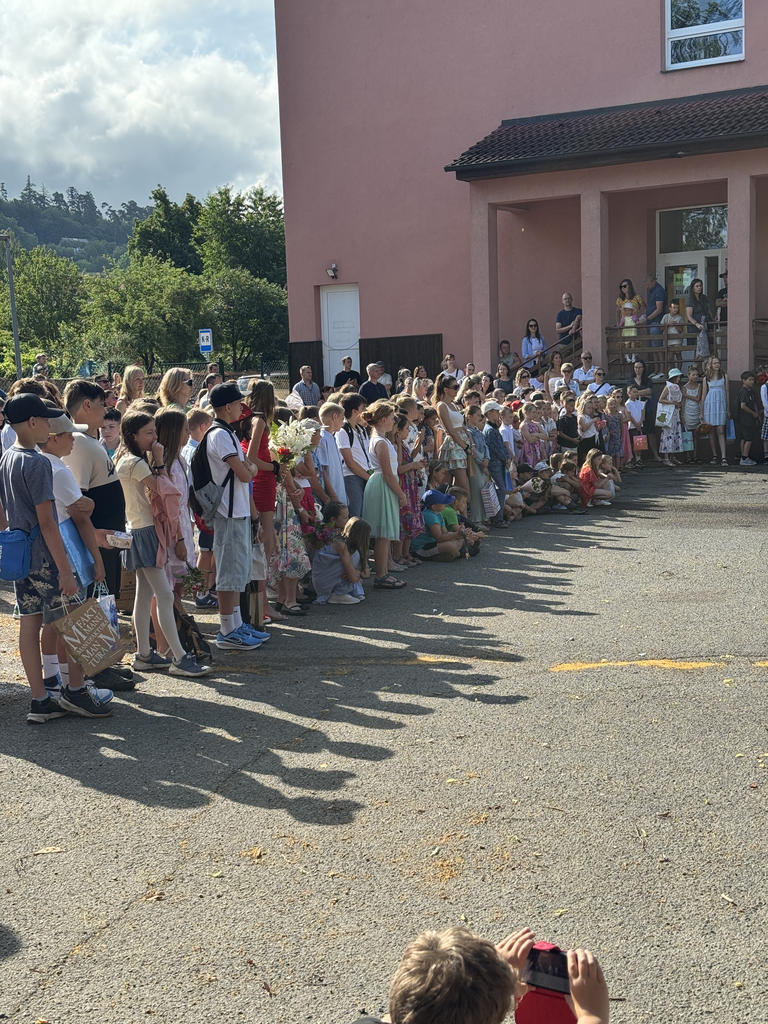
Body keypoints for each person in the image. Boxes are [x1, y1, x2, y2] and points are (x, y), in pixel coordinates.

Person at [0, 395, 116, 723]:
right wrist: (65, 570)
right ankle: (75, 691)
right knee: (75, 618)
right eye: (45, 420)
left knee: (29, 622)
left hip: (21, 554)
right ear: (32, 422)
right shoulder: (37, 463)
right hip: (47, 557)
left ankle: (40, 699)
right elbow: (48, 522)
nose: (49, 426)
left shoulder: (6, 458)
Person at [116, 410, 212, 677]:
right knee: (165, 595)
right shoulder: (136, 463)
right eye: (148, 433)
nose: (154, 438)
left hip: (137, 530)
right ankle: (179, 658)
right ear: (133, 435)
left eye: (155, 432)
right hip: (145, 532)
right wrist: (159, 461)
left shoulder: (127, 459)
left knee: (144, 594)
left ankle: (144, 655)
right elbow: (166, 491)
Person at [61, 379, 128, 623]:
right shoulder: (77, 443)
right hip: (95, 543)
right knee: (96, 611)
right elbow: (76, 503)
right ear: (87, 405)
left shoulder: (87, 439)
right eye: (102, 404)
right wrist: (95, 536)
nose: (106, 409)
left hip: (105, 542)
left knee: (105, 605)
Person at [361, 400, 408, 590]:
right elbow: (388, 474)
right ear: (382, 420)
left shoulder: (382, 439)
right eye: (391, 417)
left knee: (385, 534)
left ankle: (383, 573)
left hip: (384, 483)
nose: (393, 421)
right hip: (382, 484)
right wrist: (401, 495)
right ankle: (381, 575)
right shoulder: (380, 442)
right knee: (383, 533)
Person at [312, 515, 370, 604]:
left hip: (323, 579)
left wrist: (357, 571)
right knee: (356, 559)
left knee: (359, 579)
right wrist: (354, 574)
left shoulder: (347, 543)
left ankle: (344, 590)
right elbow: (354, 579)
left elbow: (366, 573)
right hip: (324, 582)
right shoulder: (341, 545)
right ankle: (338, 593)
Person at [433, 374, 472, 493]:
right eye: (455, 387)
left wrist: (471, 443)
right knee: (463, 486)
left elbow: (463, 426)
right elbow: (451, 431)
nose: (457, 389)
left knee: (459, 485)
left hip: (463, 442)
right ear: (446, 389)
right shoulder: (442, 406)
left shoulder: (454, 404)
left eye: (457, 386)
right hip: (454, 445)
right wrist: (465, 447)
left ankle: (458, 505)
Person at [336, 394, 371, 519]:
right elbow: (349, 462)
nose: (365, 411)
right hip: (352, 477)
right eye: (363, 408)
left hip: (365, 475)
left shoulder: (361, 429)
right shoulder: (343, 431)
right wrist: (369, 478)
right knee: (355, 514)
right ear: (354, 411)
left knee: (365, 514)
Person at [410, 490, 465, 561]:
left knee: (456, 547)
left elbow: (445, 533)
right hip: (420, 548)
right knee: (450, 546)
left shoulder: (438, 514)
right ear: (434, 506)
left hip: (431, 543)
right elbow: (439, 538)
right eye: (442, 502)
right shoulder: (431, 516)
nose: (445, 504)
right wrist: (457, 535)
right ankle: (435, 556)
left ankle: (444, 555)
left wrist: (460, 535)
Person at [481, 401, 509, 530]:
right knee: (500, 489)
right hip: (495, 463)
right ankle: (497, 518)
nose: (499, 413)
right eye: (496, 411)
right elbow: (497, 448)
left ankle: (497, 517)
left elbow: (501, 446)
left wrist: (507, 457)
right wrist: (506, 458)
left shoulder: (492, 428)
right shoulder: (490, 430)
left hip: (498, 463)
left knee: (500, 489)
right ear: (489, 413)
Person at [625, 359, 659, 462]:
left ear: (643, 368)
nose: (638, 369)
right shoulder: (631, 381)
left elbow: (649, 391)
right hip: (635, 409)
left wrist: (636, 393)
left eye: (640, 367)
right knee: (637, 432)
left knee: (651, 432)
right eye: (636, 367)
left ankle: (656, 455)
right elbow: (631, 393)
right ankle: (638, 458)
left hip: (647, 408)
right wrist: (643, 393)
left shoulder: (648, 380)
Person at [701, 355, 730, 466]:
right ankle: (714, 455)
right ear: (710, 365)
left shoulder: (724, 376)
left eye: (718, 363)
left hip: (721, 404)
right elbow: (703, 395)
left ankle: (724, 457)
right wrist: (701, 411)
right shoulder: (706, 378)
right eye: (714, 363)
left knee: (721, 430)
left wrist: (728, 409)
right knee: (711, 430)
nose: (717, 365)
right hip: (710, 404)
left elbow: (727, 392)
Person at [318, 402, 348, 505]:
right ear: (334, 416)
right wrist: (332, 494)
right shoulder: (322, 439)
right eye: (342, 418)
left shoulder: (332, 437)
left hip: (339, 492)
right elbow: (322, 469)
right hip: (332, 496)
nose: (343, 422)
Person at [658, 368, 684, 467]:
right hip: (668, 414)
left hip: (675, 413)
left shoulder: (677, 387)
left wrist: (678, 404)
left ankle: (673, 456)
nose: (679, 378)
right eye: (677, 377)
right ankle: (666, 458)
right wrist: (672, 402)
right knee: (668, 434)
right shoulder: (668, 387)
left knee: (675, 434)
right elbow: (661, 399)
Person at [737, 371, 760, 467]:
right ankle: (745, 457)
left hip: (747, 419)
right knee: (748, 438)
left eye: (753, 380)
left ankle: (743, 456)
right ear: (744, 380)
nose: (752, 382)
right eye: (749, 380)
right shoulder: (744, 391)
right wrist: (753, 413)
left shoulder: (751, 391)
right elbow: (743, 406)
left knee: (744, 438)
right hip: (746, 419)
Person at [685, 278, 712, 360]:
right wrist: (697, 324)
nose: (699, 288)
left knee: (710, 347)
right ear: (693, 288)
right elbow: (689, 316)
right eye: (697, 286)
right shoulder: (690, 300)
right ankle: (696, 367)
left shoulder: (704, 298)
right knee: (697, 350)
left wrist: (712, 321)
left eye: (700, 286)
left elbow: (709, 311)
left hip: (705, 325)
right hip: (695, 328)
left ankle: (699, 367)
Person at [681, 367, 704, 464]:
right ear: (688, 375)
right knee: (687, 435)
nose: (695, 377)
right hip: (687, 411)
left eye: (697, 375)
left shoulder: (699, 386)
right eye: (693, 375)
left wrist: (686, 395)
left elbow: (698, 398)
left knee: (696, 434)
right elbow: (683, 402)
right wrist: (682, 415)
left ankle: (695, 455)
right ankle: (688, 456)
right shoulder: (684, 387)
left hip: (696, 411)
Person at [640, 272, 666, 340]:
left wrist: (647, 319)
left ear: (654, 281)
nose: (647, 287)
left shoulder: (658, 291)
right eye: (646, 285)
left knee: (656, 344)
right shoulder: (652, 290)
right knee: (651, 344)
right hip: (651, 322)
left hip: (656, 322)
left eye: (648, 284)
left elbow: (659, 309)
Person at [660, 300, 686, 366]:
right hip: (668, 340)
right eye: (674, 307)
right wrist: (667, 325)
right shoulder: (665, 317)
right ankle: (673, 370)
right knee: (670, 357)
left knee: (678, 354)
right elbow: (661, 328)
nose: (676, 309)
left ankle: (679, 370)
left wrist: (675, 324)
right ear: (670, 308)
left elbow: (681, 330)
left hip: (677, 340)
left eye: (677, 308)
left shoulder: (680, 318)